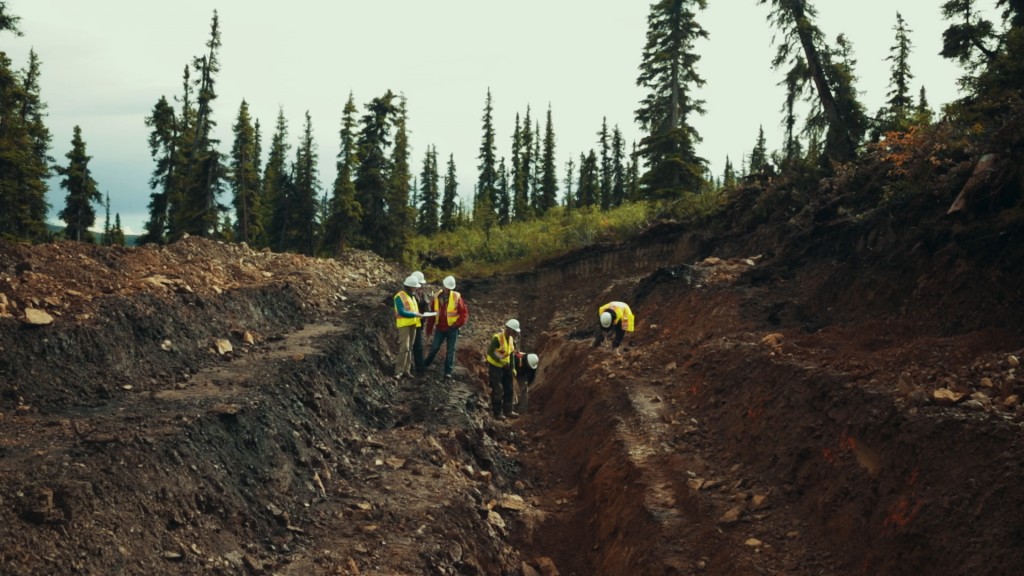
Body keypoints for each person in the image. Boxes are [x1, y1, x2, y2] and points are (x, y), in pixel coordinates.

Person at [424, 275, 469, 380]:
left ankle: (448, 371)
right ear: (443, 285)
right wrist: (429, 329)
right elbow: (432, 314)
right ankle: (426, 364)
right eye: (446, 287)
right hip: (440, 328)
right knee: (434, 347)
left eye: (449, 288)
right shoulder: (436, 297)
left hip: (452, 329)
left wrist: (457, 324)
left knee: (451, 350)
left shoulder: (456, 298)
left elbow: (464, 314)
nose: (447, 289)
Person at [486, 319, 520, 420]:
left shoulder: (510, 340)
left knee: (509, 388)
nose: (515, 334)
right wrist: (501, 361)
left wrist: (513, 368)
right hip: (495, 366)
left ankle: (508, 410)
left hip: (506, 366)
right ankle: (498, 413)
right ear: (509, 330)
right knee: (498, 389)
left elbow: (511, 355)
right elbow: (491, 352)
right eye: (514, 332)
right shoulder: (497, 338)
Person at [393, 275, 425, 379]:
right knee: (404, 347)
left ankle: (407, 370)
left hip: (413, 324)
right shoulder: (399, 296)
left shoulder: (412, 296)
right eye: (415, 287)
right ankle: (398, 371)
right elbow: (402, 311)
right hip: (404, 325)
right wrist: (415, 315)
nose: (416, 288)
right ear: (410, 287)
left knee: (410, 347)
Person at [411, 271, 430, 376]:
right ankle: (416, 368)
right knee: (414, 345)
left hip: (419, 322)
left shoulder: (421, 293)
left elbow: (426, 305)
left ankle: (419, 367)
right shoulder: (409, 294)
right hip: (411, 322)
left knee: (418, 345)